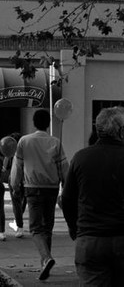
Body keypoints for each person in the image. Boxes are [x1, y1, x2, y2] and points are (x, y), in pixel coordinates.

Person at [61, 106, 124, 286]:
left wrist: (75, 229)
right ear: (121, 131)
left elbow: (67, 199)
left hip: (90, 240)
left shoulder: (81, 158)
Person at [10, 109, 69, 281]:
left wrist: (14, 186)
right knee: (47, 227)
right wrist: (66, 186)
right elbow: (64, 167)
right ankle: (45, 263)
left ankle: (46, 258)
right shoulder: (55, 142)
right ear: (48, 123)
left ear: (34, 123)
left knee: (35, 228)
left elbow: (17, 167)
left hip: (32, 188)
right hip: (51, 188)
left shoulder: (24, 141)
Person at [4, 132, 27, 238]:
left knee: (16, 202)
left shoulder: (11, 152)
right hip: (26, 179)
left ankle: (19, 226)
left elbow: (5, 166)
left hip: (14, 179)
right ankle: (18, 221)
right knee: (23, 201)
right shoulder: (26, 151)